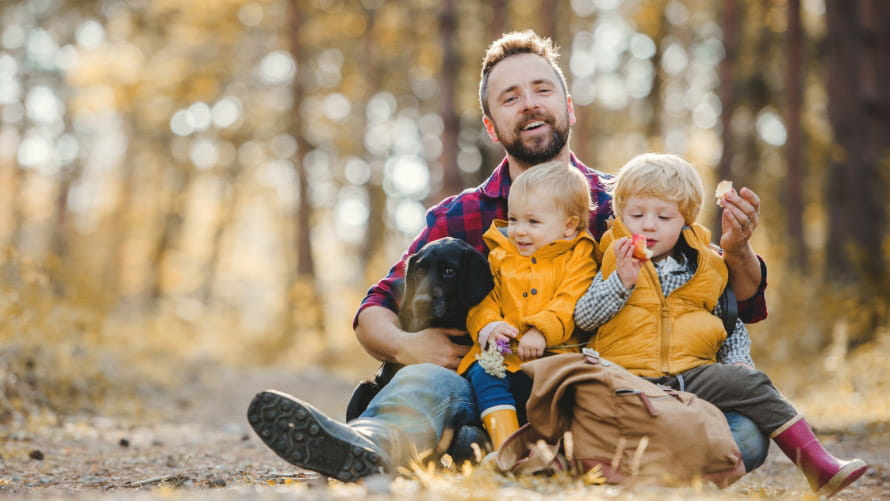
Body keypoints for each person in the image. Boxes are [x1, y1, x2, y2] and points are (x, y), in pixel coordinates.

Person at [247, 30, 770, 482]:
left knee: (745, 433)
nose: (529, 104)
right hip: (492, 381)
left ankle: (498, 451)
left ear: (568, 107)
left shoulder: (629, 203)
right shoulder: (461, 216)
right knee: (426, 381)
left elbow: (732, 302)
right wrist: (408, 345)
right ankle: (367, 444)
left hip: (602, 396)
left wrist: (738, 251)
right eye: (510, 97)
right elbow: (373, 311)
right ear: (492, 125)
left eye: (542, 89)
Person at [573, 153, 867, 497]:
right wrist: (620, 283)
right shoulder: (612, 257)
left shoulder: (709, 266)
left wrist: (738, 361)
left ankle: (818, 464)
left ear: (685, 219)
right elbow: (585, 318)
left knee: (748, 381)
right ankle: (654, 481)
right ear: (621, 214)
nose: (648, 225)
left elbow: (730, 327)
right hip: (629, 380)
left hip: (691, 377)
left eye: (663, 216)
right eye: (637, 215)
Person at [458, 161, 597, 450]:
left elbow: (570, 301)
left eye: (533, 222)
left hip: (554, 358)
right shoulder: (500, 257)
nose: (519, 231)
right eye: (514, 219)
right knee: (485, 375)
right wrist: (489, 327)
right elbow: (482, 300)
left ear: (569, 226)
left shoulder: (579, 258)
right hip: (504, 357)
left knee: (576, 391)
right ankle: (505, 446)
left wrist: (541, 331)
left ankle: (555, 449)